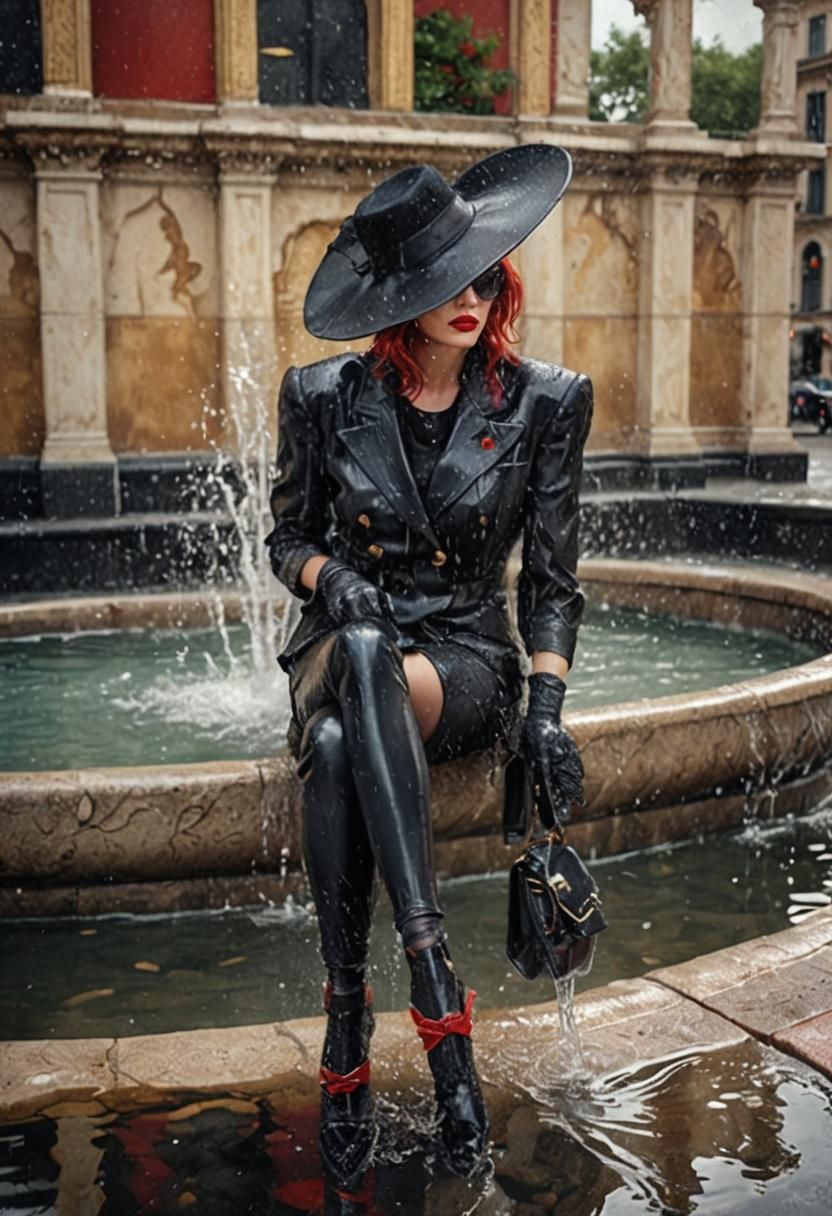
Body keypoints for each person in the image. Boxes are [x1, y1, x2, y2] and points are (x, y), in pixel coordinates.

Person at [265, 144, 593, 1190]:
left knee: (329, 741)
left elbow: (549, 578)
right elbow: (285, 541)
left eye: (482, 270)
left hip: (460, 660)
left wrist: (543, 706)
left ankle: (349, 1019)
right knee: (353, 655)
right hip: (344, 640)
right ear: (396, 298)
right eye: (441, 281)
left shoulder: (545, 400)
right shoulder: (320, 395)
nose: (471, 295)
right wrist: (330, 577)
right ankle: (434, 993)